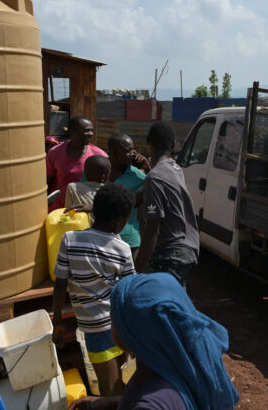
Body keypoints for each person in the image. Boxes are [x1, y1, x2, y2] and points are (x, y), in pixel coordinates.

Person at [69, 272, 239, 410]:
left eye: (113, 317)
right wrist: (112, 402)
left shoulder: (151, 403)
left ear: (136, 335)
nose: (110, 321)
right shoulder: (173, 368)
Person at [52, 183, 136, 397]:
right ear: (119, 221)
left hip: (94, 327)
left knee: (111, 390)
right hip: (120, 325)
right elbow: (129, 293)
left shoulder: (70, 240)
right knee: (120, 384)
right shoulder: (123, 249)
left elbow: (60, 282)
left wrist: (58, 320)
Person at [135, 122, 199, 287]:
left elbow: (152, 231)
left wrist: (134, 272)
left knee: (165, 305)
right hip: (186, 248)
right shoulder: (175, 168)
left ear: (148, 142)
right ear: (173, 145)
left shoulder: (155, 178)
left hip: (171, 254)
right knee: (174, 300)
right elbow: (138, 198)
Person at [46, 116, 107, 210]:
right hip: (59, 211)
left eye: (92, 130)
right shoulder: (55, 152)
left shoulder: (99, 156)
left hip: (84, 211)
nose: (91, 134)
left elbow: (107, 185)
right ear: (73, 131)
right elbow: (48, 181)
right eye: (87, 130)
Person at [108, 133, 149, 258]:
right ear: (114, 152)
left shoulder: (139, 177)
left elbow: (156, 187)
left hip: (128, 240)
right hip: (99, 237)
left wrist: (147, 168)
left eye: (133, 149)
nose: (133, 154)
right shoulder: (97, 167)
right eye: (128, 150)